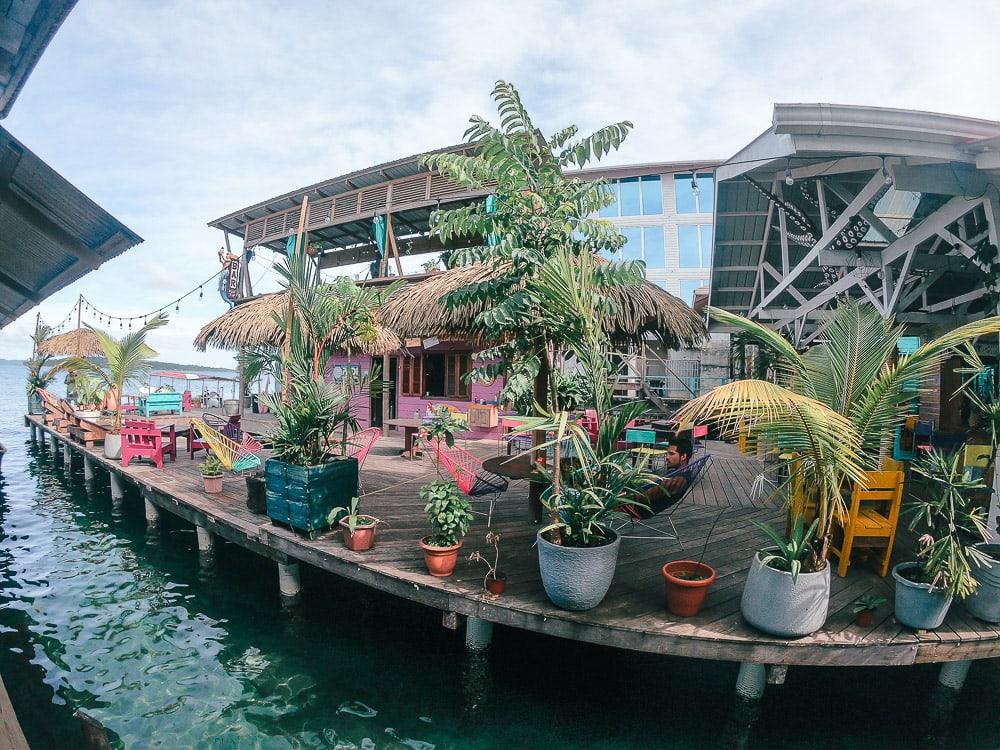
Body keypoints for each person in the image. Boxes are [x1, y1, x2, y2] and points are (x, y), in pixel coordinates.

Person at [642, 437, 693, 515]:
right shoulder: (681, 473)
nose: (667, 457)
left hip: (640, 508)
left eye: (671, 454)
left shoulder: (677, 481)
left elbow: (642, 496)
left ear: (683, 457)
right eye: (667, 453)